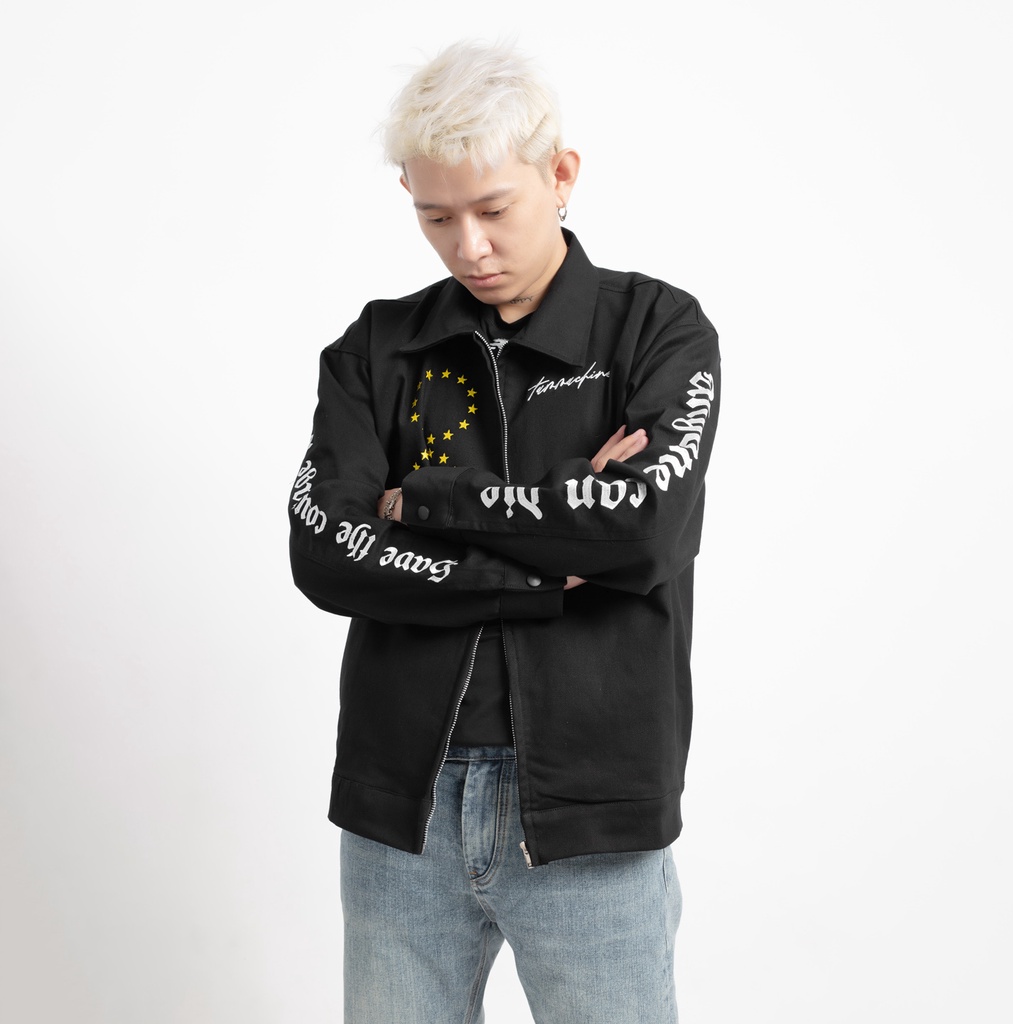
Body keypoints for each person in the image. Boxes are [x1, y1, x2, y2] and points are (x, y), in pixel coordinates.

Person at [289, 40, 720, 1024]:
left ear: (559, 175)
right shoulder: (376, 348)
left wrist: (428, 500)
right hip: (401, 809)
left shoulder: (659, 330)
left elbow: (643, 531)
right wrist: (542, 559)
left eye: (493, 210)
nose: (468, 247)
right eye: (436, 216)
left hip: (592, 807)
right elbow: (324, 550)